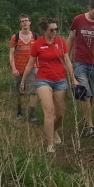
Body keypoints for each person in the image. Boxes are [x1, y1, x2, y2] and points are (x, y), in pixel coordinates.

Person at [19, 17, 75, 153]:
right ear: (45, 30)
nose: (55, 31)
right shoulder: (38, 44)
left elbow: (67, 60)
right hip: (43, 79)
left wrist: (73, 78)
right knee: (49, 111)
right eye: (51, 29)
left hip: (60, 80)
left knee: (60, 114)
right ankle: (50, 144)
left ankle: (54, 131)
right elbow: (30, 63)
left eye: (56, 29)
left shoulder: (61, 42)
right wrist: (23, 81)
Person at [68, 0, 94, 139]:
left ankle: (86, 118)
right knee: (84, 92)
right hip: (79, 61)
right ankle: (90, 127)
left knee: (90, 94)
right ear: (89, 8)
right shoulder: (78, 20)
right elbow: (71, 38)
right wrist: (66, 56)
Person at [9, 14, 36, 120]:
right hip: (19, 68)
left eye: (26, 20)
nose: (24, 22)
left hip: (33, 68)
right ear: (20, 23)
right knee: (19, 92)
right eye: (22, 21)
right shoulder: (15, 37)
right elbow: (11, 53)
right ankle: (19, 111)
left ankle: (32, 115)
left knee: (33, 91)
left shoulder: (35, 36)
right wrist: (13, 68)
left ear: (30, 22)